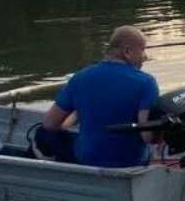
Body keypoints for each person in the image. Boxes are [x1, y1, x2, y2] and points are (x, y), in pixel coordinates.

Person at [37, 26, 158, 168]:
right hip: (132, 162)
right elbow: (147, 137)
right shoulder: (146, 82)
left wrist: (77, 114)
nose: (145, 56)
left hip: (87, 160)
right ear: (127, 52)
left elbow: (50, 124)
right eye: (142, 49)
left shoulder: (80, 78)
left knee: (42, 133)